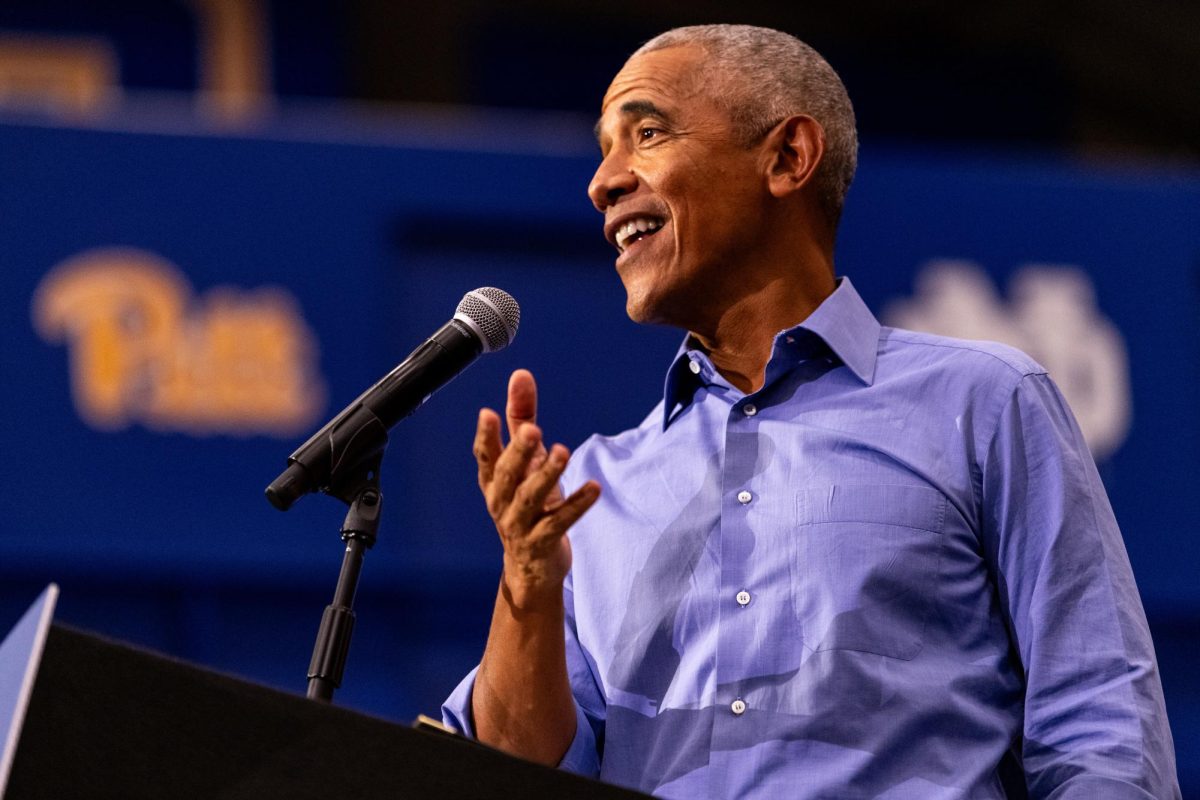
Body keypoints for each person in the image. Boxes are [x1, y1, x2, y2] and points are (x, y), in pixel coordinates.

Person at [443, 24, 1179, 799]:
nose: (603, 181)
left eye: (647, 132)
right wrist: (526, 588)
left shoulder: (984, 402)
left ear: (789, 157)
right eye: (604, 147)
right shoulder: (591, 487)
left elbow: (1100, 727)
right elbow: (511, 772)